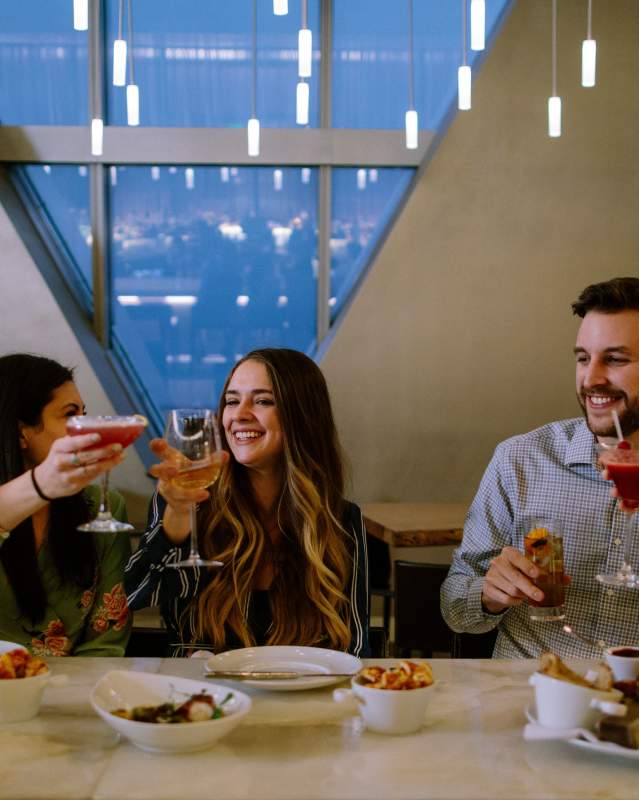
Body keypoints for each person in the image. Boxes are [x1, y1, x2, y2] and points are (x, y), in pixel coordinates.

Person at [441, 277, 639, 658]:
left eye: (614, 359)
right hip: (528, 697)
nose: (591, 379)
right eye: (583, 358)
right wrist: (488, 595)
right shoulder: (522, 459)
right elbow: (454, 607)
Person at [125, 348, 370, 656]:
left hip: (302, 696)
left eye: (263, 401)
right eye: (231, 401)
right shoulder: (187, 499)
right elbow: (133, 596)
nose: (239, 415)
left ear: (303, 415)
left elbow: (356, 649)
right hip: (203, 696)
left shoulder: (341, 518)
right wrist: (175, 526)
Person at [0, 354, 132, 656]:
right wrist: (39, 484)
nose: (86, 428)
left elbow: (107, 640)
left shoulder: (103, 505)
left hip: (75, 694)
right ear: (21, 431)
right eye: (71, 415)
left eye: (85, 414)